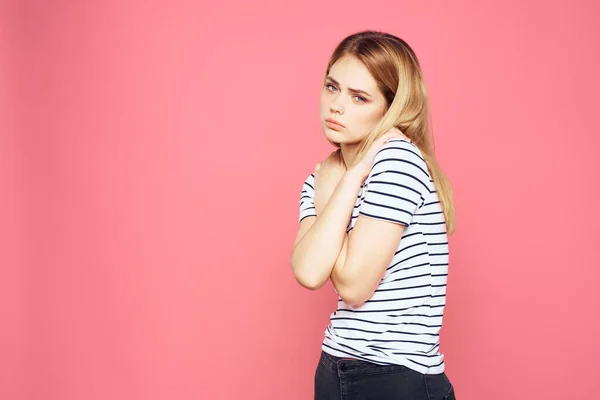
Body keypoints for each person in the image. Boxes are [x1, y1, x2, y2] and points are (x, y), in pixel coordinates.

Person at [290, 30, 457, 399]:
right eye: (332, 87)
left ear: (390, 107)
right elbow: (308, 271)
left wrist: (343, 181)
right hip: (335, 366)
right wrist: (346, 179)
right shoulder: (323, 177)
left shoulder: (398, 161)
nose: (337, 106)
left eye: (359, 97)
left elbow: (353, 286)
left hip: (396, 377)